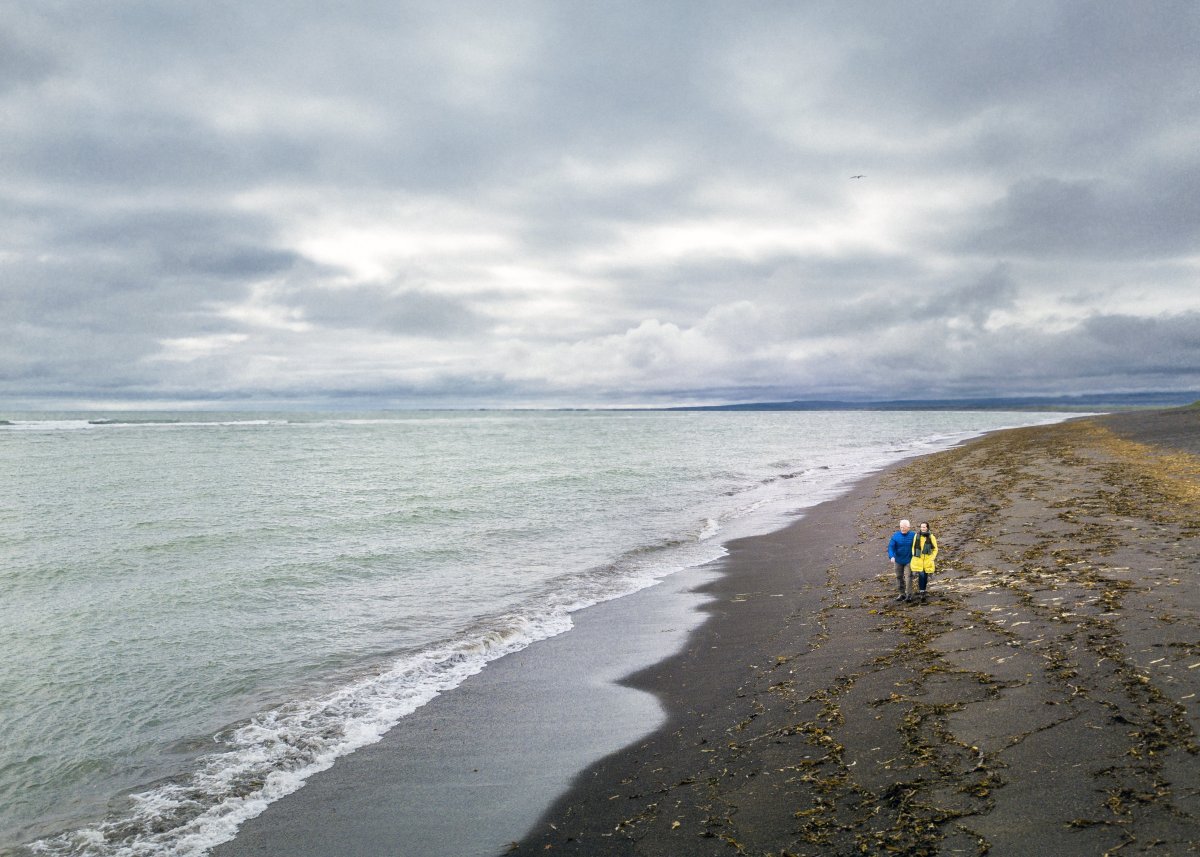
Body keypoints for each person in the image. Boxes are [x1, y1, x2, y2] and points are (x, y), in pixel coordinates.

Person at [887, 519, 916, 602]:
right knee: (899, 577)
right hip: (898, 560)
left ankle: (909, 594)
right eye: (901, 527)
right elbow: (891, 547)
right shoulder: (895, 536)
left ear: (908, 527)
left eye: (904, 527)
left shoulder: (913, 535)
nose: (902, 529)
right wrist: (891, 556)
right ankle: (901, 594)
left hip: (909, 560)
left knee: (908, 577)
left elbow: (918, 546)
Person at [910, 522, 938, 601]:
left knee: (925, 576)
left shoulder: (931, 537)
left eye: (924, 527)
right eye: (921, 527)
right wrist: (914, 554)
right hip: (918, 559)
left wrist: (932, 558)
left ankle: (924, 590)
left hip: (927, 560)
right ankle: (922, 591)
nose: (922, 528)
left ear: (927, 528)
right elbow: (913, 546)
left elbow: (935, 549)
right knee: (921, 575)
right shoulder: (917, 536)